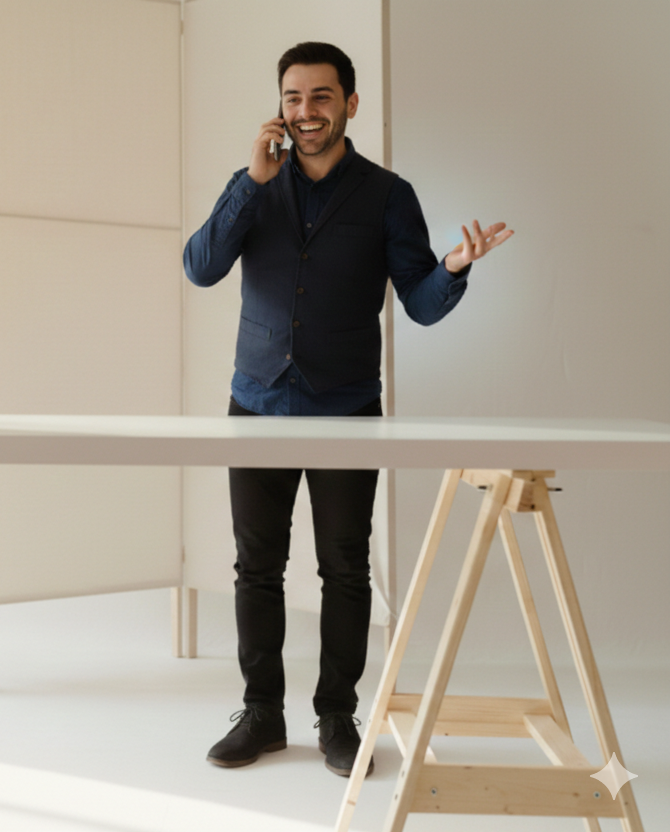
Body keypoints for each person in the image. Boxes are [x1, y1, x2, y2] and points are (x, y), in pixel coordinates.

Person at [182, 41, 513, 777]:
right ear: (281, 106)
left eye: (322, 96)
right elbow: (200, 269)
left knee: (345, 568)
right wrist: (250, 183)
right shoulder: (253, 184)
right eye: (293, 97)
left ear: (350, 104)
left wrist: (453, 268)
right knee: (256, 568)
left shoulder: (388, 195)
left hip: (346, 408)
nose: (306, 111)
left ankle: (337, 715)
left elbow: (421, 304)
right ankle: (262, 713)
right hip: (255, 405)